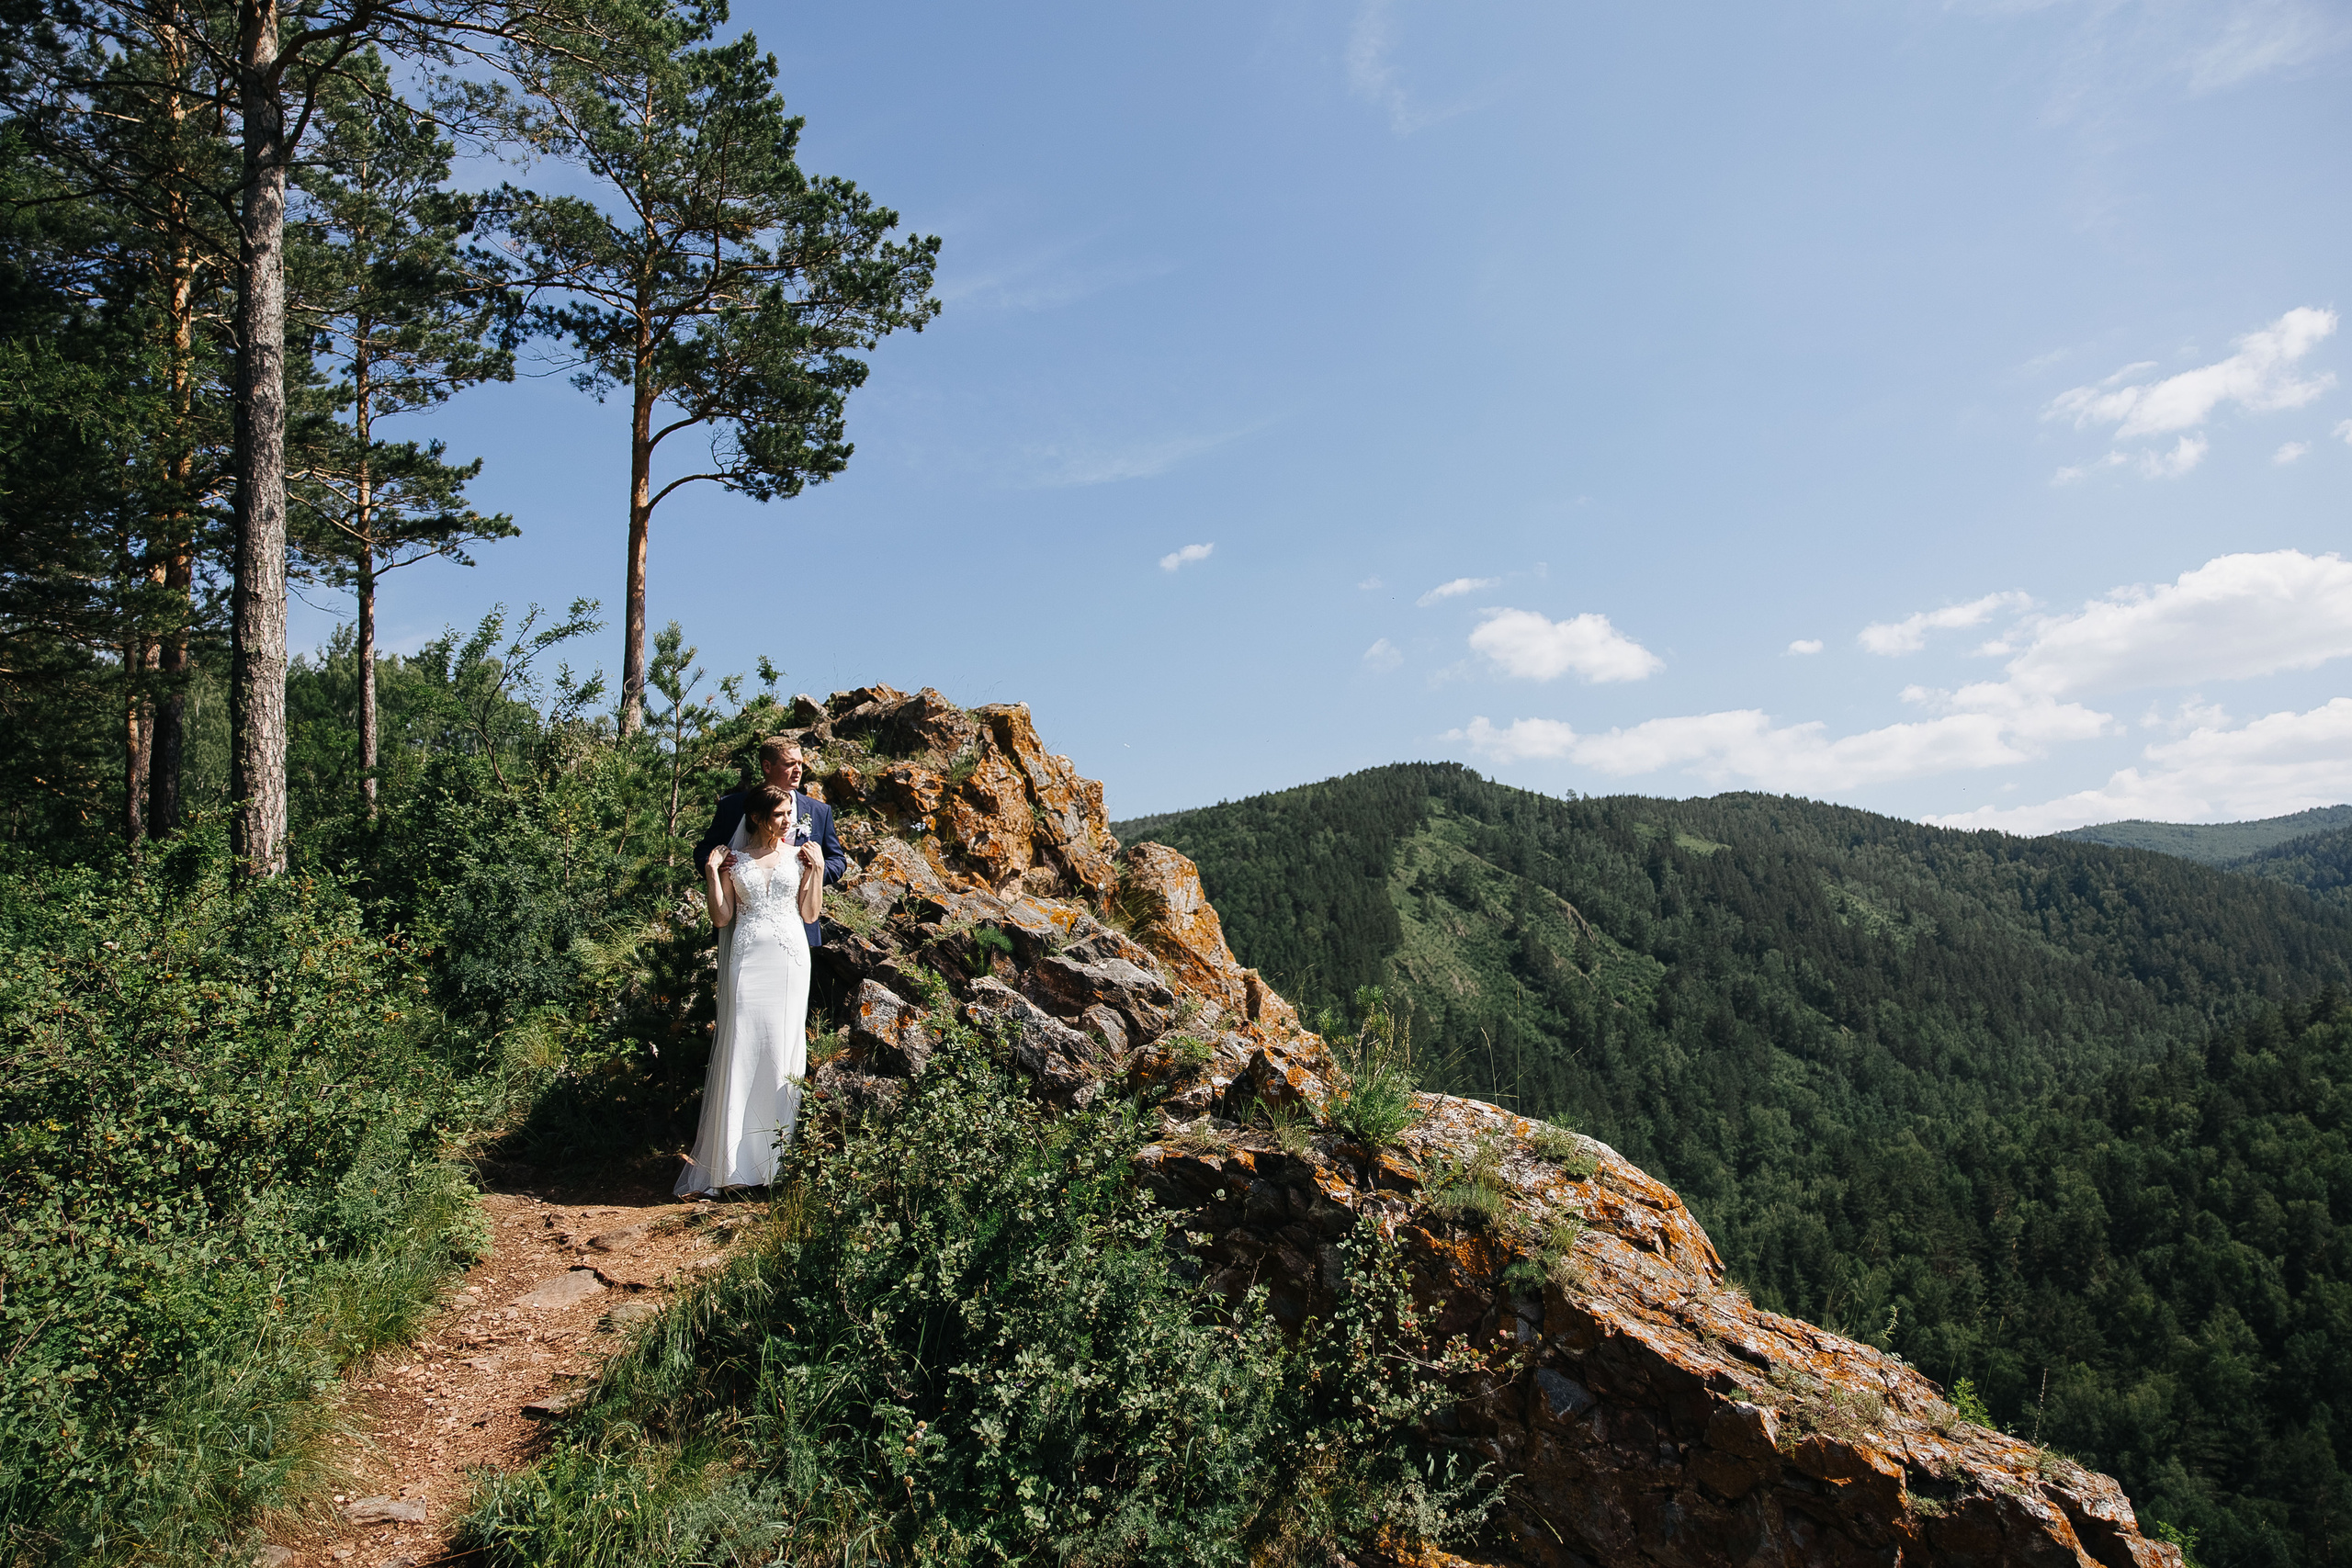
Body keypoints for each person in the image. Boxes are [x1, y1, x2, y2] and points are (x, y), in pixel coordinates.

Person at [676, 783, 825, 1196]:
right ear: (758, 818)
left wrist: (816, 870)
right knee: (743, 1046)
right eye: (779, 814)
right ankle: (734, 1167)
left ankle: (776, 1165)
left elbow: (810, 913)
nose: (787, 820)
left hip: (790, 959)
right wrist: (711, 873)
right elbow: (722, 918)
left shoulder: (799, 856)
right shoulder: (734, 860)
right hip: (746, 959)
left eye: (788, 813)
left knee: (782, 1050)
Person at [695, 736, 846, 948]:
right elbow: (703, 851)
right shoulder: (732, 806)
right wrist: (719, 866)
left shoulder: (819, 811)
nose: (798, 770)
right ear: (767, 766)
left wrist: (810, 871)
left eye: (800, 763)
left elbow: (837, 860)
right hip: (741, 922)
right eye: (789, 764)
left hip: (797, 922)